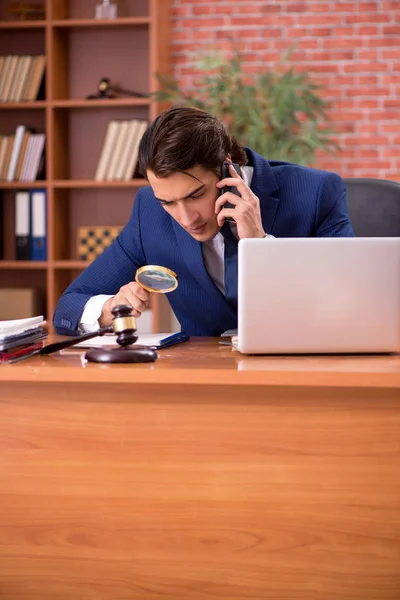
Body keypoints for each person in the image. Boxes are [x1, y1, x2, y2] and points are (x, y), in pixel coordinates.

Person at [53, 106, 354, 337]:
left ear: (226, 168)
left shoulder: (314, 194)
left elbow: (349, 306)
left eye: (195, 195)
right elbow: (68, 307)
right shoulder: (149, 212)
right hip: (203, 386)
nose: (186, 218)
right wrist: (109, 309)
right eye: (168, 202)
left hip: (300, 377)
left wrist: (260, 246)